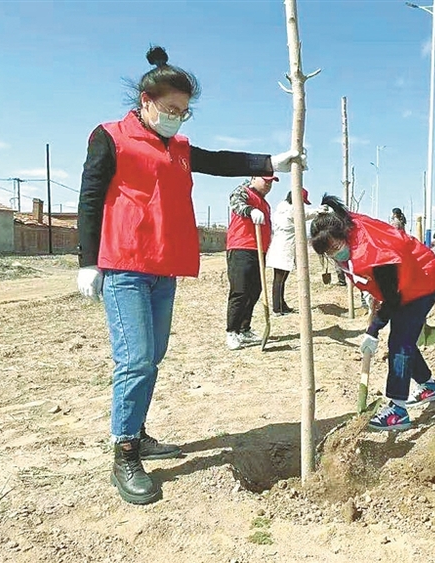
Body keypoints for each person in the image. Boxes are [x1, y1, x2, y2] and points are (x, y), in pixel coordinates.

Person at [76, 46, 303, 505]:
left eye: (184, 111)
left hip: (164, 267)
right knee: (135, 358)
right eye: (170, 109)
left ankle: (136, 433)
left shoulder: (178, 146)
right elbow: (89, 195)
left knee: (153, 356)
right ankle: (124, 453)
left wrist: (267, 163)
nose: (177, 117)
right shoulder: (110, 136)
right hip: (124, 265)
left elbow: (218, 160)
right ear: (145, 100)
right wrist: (86, 259)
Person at [310, 195, 435, 431]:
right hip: (406, 277)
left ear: (343, 235)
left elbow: (392, 300)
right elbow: (339, 211)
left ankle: (398, 409)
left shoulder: (374, 254)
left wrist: (373, 330)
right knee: (405, 337)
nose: (334, 254)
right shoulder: (346, 225)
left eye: (335, 247)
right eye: (328, 252)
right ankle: (429, 386)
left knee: (400, 342)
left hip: (423, 279)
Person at [226, 176, 278, 349]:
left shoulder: (265, 203)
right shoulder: (243, 191)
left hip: (259, 250)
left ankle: (244, 328)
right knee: (240, 290)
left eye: (271, 182)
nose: (269, 184)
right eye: (266, 180)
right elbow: (236, 203)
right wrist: (250, 210)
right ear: (254, 178)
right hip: (241, 247)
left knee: (255, 290)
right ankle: (232, 331)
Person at [265, 188, 317, 315]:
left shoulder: (282, 210)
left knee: (281, 279)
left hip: (281, 248)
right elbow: (304, 215)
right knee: (279, 279)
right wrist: (318, 211)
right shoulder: (290, 210)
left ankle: (281, 305)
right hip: (283, 249)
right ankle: (277, 308)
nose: (302, 204)